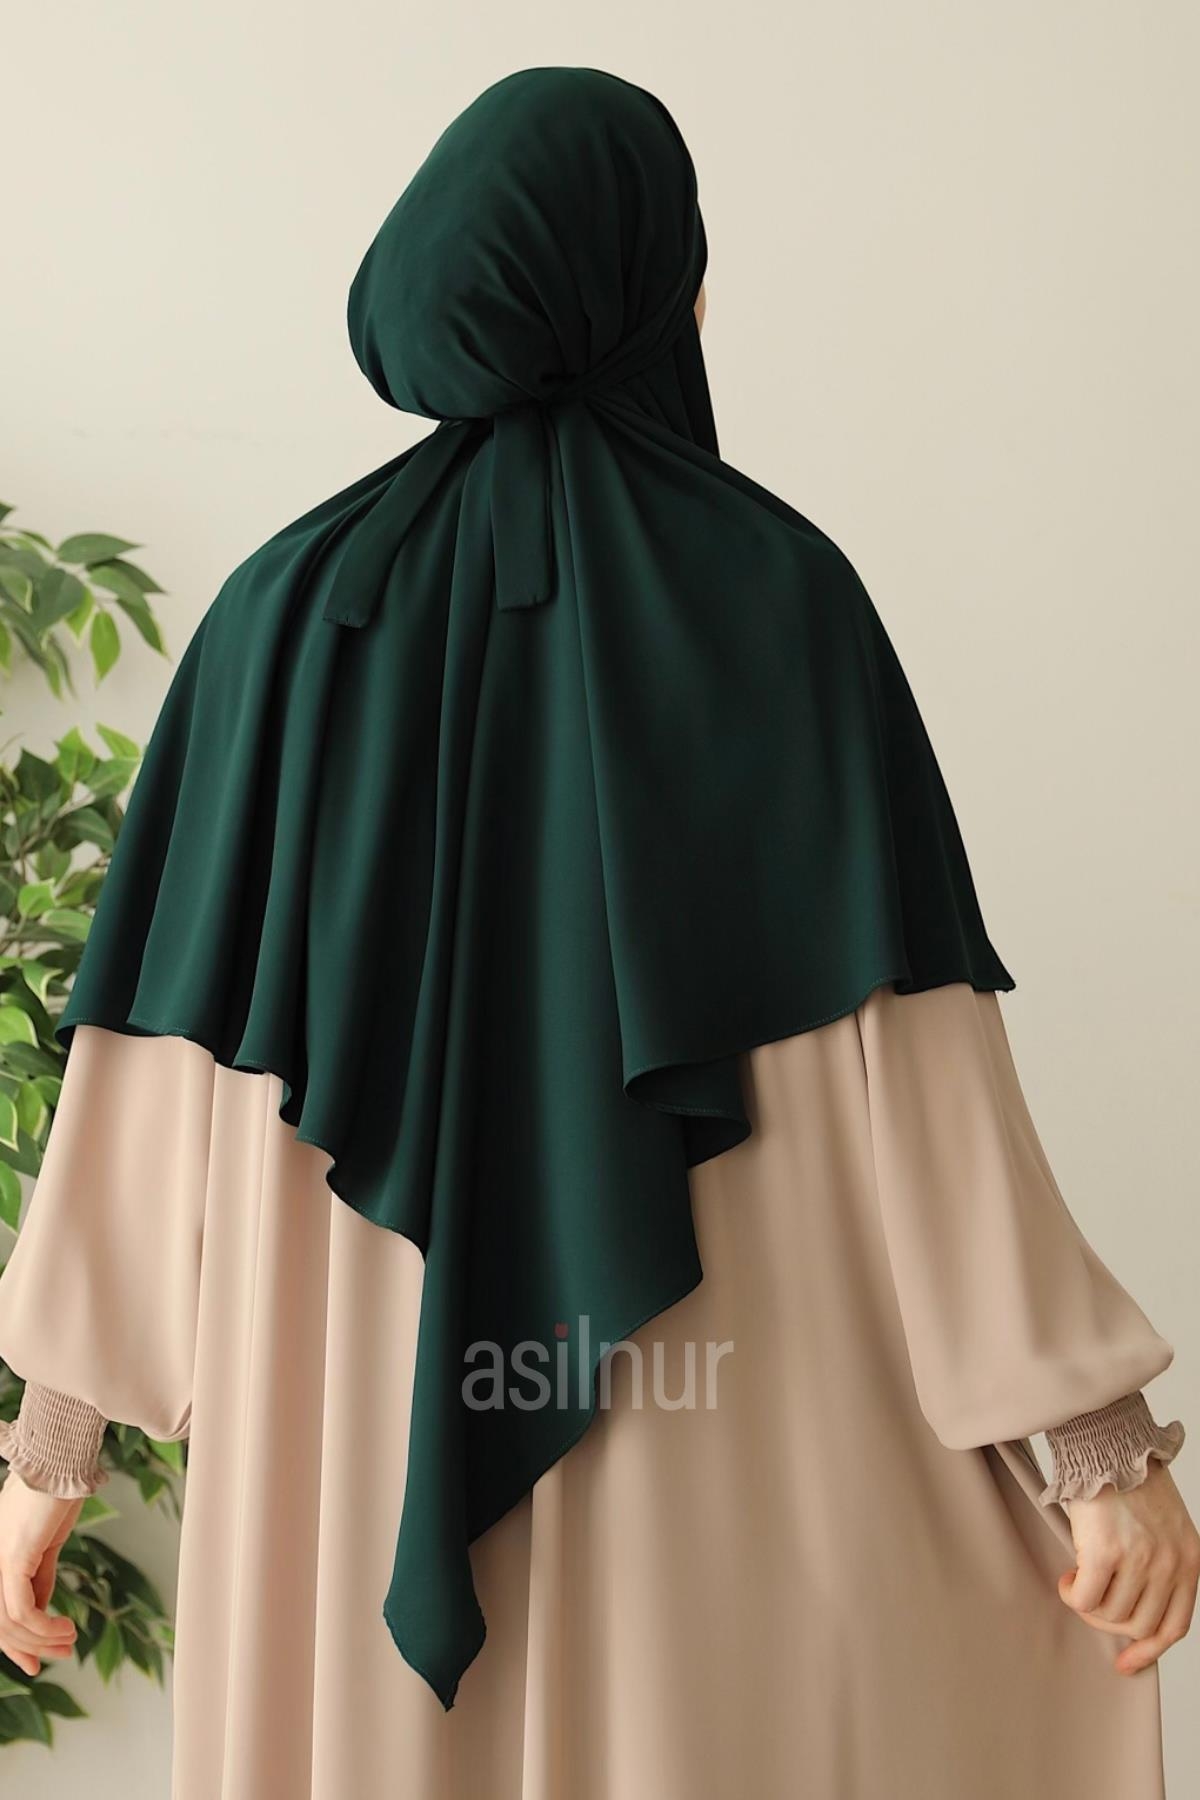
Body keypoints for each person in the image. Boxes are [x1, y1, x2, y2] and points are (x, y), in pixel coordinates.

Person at [0, 65, 1195, 1800]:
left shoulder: (275, 622)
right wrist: (1092, 1446)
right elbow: (922, 1060)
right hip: (723, 1413)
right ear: (641, 285)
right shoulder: (774, 600)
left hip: (361, 1416)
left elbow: (153, 1061)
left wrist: (51, 1444)